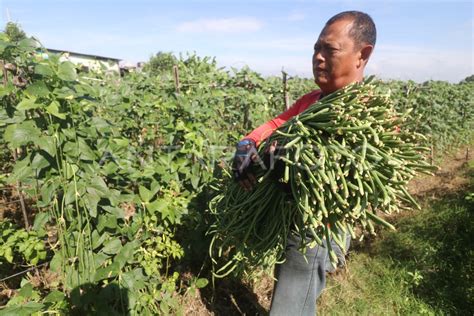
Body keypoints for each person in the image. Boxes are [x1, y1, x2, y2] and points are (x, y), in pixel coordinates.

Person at [232, 11, 376, 315]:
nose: (318, 58)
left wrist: (295, 163)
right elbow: (275, 123)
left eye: (330, 49)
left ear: (362, 55)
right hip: (293, 215)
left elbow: (345, 177)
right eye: (315, 49)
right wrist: (248, 144)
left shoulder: (368, 116)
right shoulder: (312, 101)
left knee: (293, 297)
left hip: (318, 226)